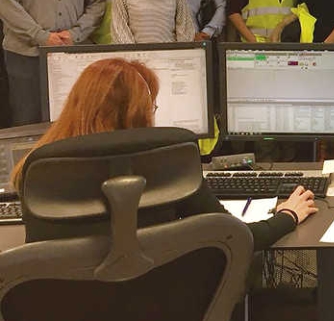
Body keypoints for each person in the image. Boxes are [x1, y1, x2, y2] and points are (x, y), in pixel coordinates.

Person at [10, 58, 317, 249]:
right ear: (139, 113)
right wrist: (287, 215)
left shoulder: (38, 168)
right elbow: (237, 237)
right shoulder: (168, 164)